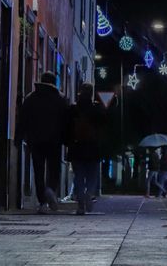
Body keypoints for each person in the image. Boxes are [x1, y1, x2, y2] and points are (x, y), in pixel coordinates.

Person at [17, 71, 69, 214]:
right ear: (54, 82)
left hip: (35, 140)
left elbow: (22, 119)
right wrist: (67, 139)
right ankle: (50, 190)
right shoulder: (60, 99)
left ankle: (42, 202)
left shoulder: (30, 98)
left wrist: (18, 137)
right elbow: (66, 122)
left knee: (38, 170)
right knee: (54, 169)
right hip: (54, 141)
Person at [66, 83, 107, 215]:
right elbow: (103, 128)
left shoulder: (73, 108)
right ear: (91, 93)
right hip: (93, 147)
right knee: (92, 175)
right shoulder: (97, 108)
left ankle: (80, 205)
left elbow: (67, 127)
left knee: (78, 176)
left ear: (79, 92)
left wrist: (67, 142)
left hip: (76, 146)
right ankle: (89, 193)